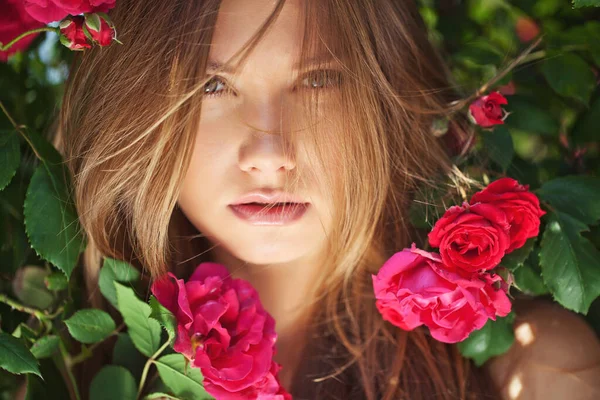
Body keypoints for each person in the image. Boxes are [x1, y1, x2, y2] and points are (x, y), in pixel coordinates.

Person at [53, 0, 600, 399]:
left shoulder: (536, 373)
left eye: (318, 81)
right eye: (209, 87)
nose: (269, 153)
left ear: (391, 101)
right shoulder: (63, 363)